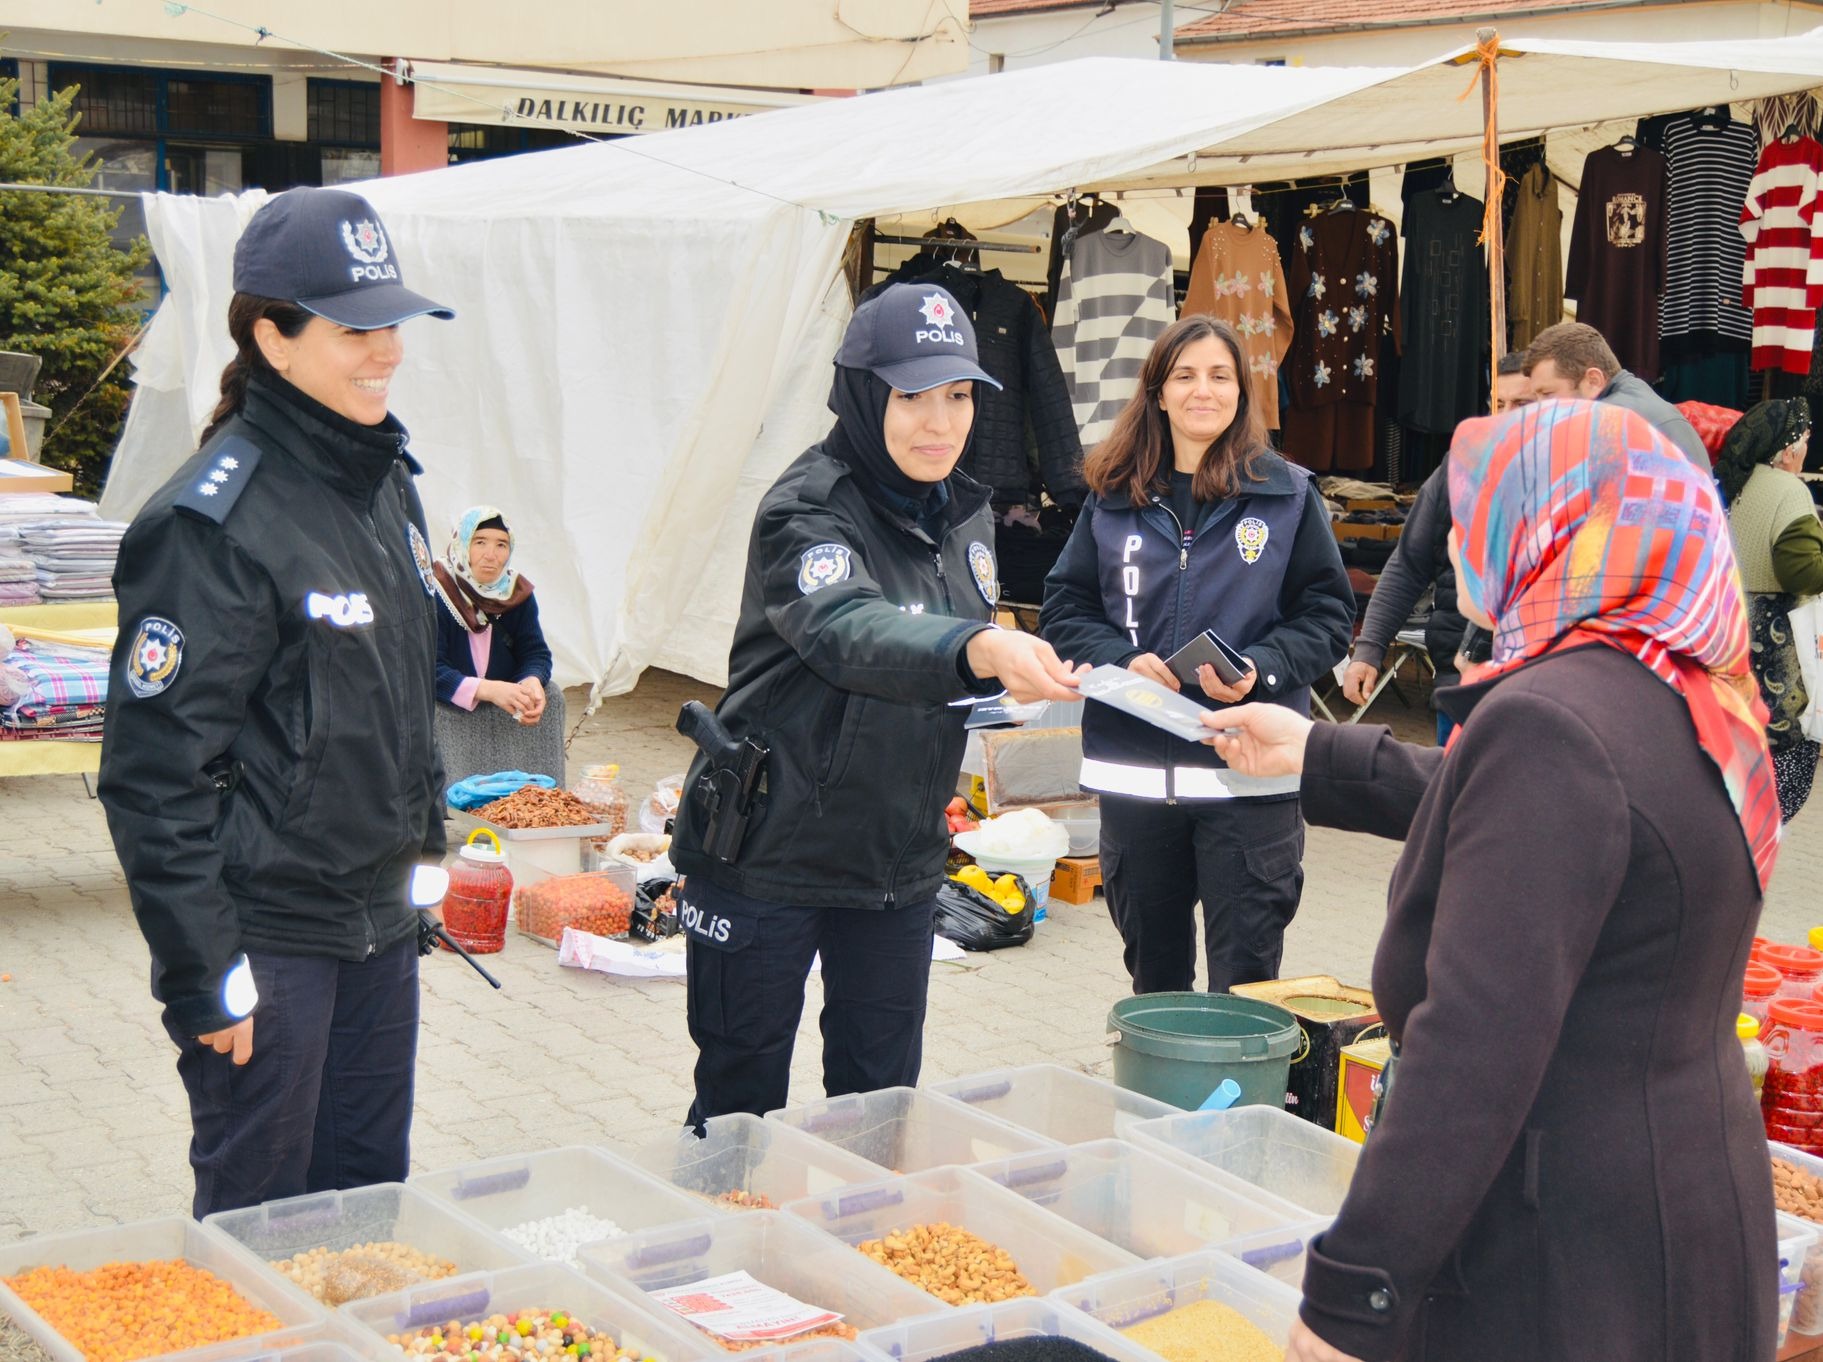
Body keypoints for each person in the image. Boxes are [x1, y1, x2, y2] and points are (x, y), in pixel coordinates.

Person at [1206, 400, 1782, 1362]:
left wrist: (1355, 1297)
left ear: (1560, 523)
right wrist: (1318, 752)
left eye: (1485, 510)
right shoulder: (1682, 681)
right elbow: (1555, 826)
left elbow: (1474, 1043)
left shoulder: (1551, 720)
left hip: (1565, 1261)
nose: (1462, 539)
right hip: (1685, 1213)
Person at [99, 189, 454, 1217]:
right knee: (262, 1219)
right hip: (269, 942)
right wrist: (202, 972)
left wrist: (424, 858)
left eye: (392, 323)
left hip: (379, 929)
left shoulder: (384, 482)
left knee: (367, 1203)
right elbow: (150, 778)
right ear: (273, 336)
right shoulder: (211, 524)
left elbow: (401, 698)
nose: (385, 350)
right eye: (355, 329)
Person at [667, 283, 1084, 1123]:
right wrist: (977, 650)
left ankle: (844, 1252)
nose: (941, 421)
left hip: (897, 860)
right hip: (768, 855)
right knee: (740, 1110)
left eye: (959, 395)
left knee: (879, 1108)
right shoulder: (806, 509)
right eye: (912, 396)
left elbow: (944, 666)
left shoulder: (966, 515)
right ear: (861, 392)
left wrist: (1011, 686)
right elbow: (848, 628)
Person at [1038, 316, 1354, 994]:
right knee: (1154, 985)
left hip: (1248, 780)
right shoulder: (1112, 493)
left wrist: (1260, 669)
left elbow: (1328, 617)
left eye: (1219, 376)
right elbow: (1066, 605)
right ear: (1157, 391)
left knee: (1244, 986)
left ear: (1242, 391)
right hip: (1137, 784)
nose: (1201, 391)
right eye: (1184, 376)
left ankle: (1239, 1103)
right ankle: (1159, 1101)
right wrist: (1119, 662)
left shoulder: (1288, 495)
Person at [1340, 353, 1533, 742]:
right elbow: (1409, 564)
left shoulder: (1574, 484)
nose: (1509, 416)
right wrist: (1370, 648)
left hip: (1534, 690)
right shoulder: (1459, 467)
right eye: (1499, 404)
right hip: (1457, 683)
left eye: (1524, 405)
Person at [1716, 398, 1823, 821]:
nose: (1806, 450)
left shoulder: (1734, 484)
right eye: (1804, 440)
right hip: (1776, 647)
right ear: (1788, 449)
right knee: (1782, 762)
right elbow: (1801, 571)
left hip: (1731, 631)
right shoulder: (1789, 491)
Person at [432, 505, 565, 787]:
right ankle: (451, 797)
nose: (491, 555)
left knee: (550, 696)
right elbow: (427, 668)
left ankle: (534, 794)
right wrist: (487, 689)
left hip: (502, 695)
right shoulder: (436, 590)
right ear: (462, 544)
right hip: (450, 700)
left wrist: (531, 681)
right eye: (479, 542)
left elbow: (535, 652)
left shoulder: (515, 593)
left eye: (501, 545)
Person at [1522, 320, 1712, 468]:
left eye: (1547, 393)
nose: (1538, 409)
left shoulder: (1607, 422)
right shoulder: (1637, 399)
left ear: (1593, 380)